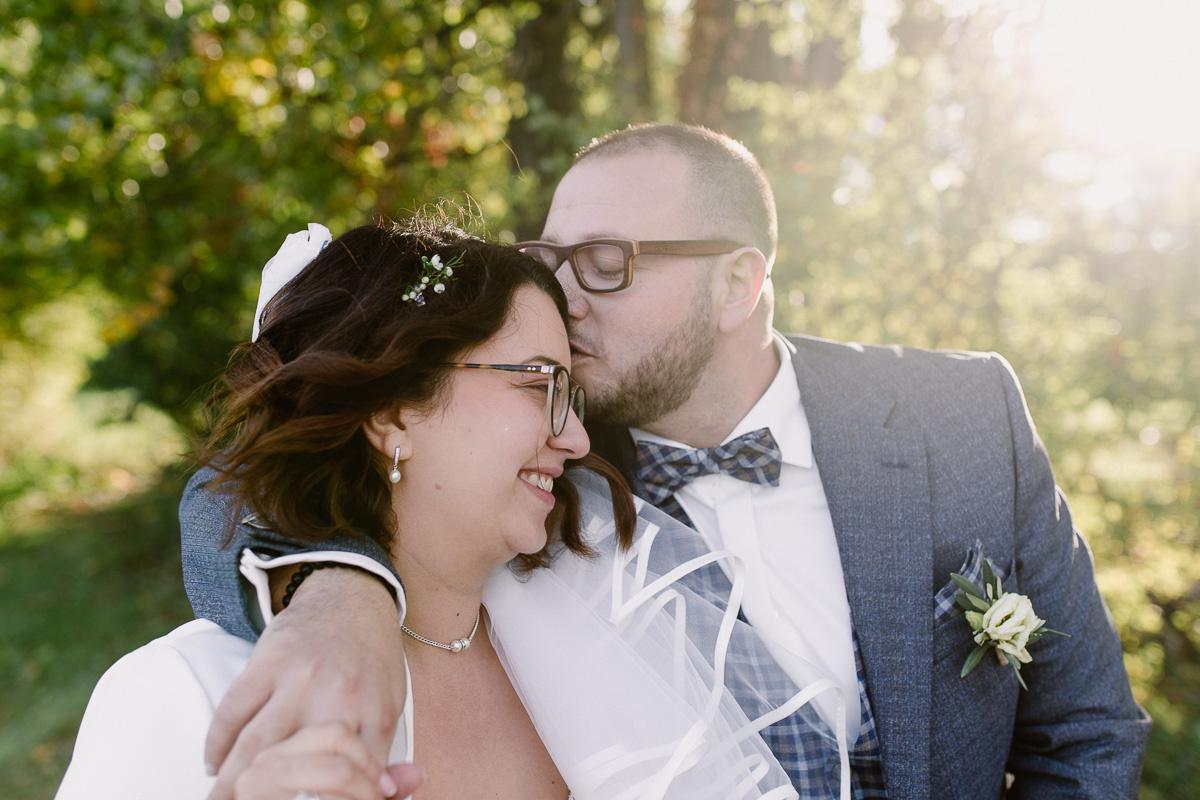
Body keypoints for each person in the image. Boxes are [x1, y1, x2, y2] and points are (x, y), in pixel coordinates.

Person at [179, 125, 1150, 799]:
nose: (565, 293)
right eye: (552, 259)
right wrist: (340, 589)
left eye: (603, 259)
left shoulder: (960, 415)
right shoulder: (542, 461)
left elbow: (1087, 732)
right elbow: (245, 481)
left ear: (737, 282)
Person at [56, 219, 849, 800]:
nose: (575, 438)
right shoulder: (187, 694)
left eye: (573, 397)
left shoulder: (605, 643)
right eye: (541, 384)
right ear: (394, 409)